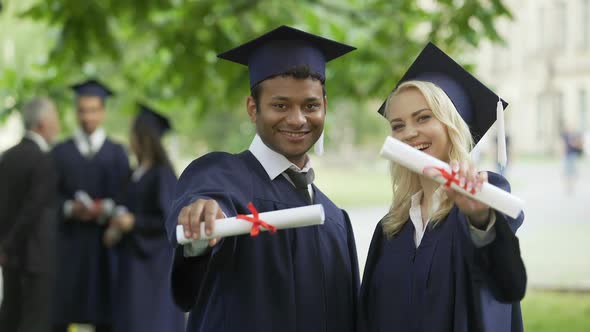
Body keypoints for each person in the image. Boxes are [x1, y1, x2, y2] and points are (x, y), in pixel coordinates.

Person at [166, 25, 359, 332]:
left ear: (325, 107)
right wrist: (200, 224)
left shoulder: (336, 221)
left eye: (311, 106)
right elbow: (207, 202)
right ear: (253, 109)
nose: (297, 119)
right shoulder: (223, 176)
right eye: (280, 105)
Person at [358, 43, 527, 332]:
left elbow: (508, 286)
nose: (409, 132)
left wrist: (480, 219)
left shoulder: (483, 200)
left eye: (423, 118)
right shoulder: (391, 228)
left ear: (453, 126)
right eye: (398, 126)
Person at [51, 80, 129, 332]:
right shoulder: (60, 153)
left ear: (103, 112)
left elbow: (127, 196)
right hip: (68, 246)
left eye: (94, 109)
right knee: (60, 314)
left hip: (103, 246)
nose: (88, 116)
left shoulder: (118, 153)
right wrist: (69, 208)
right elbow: (49, 197)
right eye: (83, 110)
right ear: (75, 112)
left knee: (106, 316)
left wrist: (105, 208)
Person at [103, 104, 185, 332]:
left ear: (144, 138)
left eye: (133, 134)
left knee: (149, 322)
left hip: (153, 267)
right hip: (131, 262)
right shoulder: (134, 174)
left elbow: (169, 221)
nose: (130, 140)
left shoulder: (162, 175)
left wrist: (134, 222)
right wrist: (117, 228)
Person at [0, 97, 60, 332]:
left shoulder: (7, 157)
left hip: (9, 256)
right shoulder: (43, 160)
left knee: (10, 314)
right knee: (35, 320)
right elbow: (32, 209)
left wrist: (4, 246)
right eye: (54, 119)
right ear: (42, 123)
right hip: (36, 256)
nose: (57, 125)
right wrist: (10, 243)